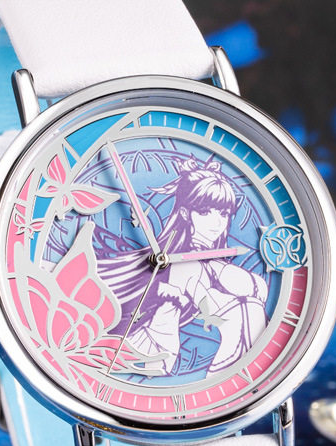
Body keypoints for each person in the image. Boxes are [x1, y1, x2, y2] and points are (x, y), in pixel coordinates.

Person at [96, 156, 268, 378]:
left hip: (257, 370)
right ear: (186, 213)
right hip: (214, 375)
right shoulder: (182, 267)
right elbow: (162, 335)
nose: (217, 222)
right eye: (205, 211)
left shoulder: (215, 266)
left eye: (224, 213)